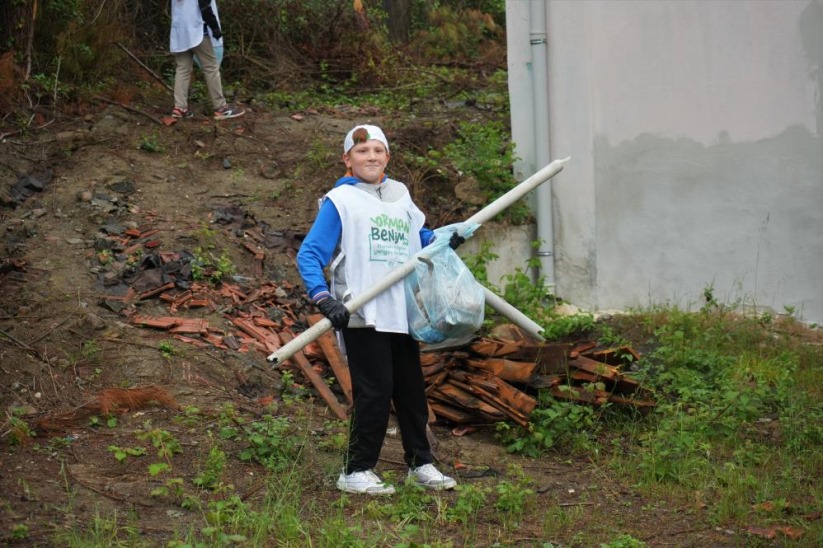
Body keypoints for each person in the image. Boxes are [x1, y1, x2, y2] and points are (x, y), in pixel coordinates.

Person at [296, 124, 463, 495]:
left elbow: (421, 238)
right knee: (375, 391)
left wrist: (448, 237)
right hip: (361, 310)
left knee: (410, 390)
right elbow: (310, 253)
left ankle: (421, 463)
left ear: (387, 156)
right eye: (362, 151)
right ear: (347, 159)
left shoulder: (400, 195)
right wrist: (324, 298)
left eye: (377, 150)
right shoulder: (340, 201)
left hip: (401, 309)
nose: (370, 157)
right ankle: (355, 470)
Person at [169, 0, 245, 121]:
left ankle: (179, 108)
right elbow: (205, 7)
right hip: (198, 32)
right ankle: (221, 108)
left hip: (180, 33)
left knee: (182, 70)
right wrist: (215, 28)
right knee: (211, 68)